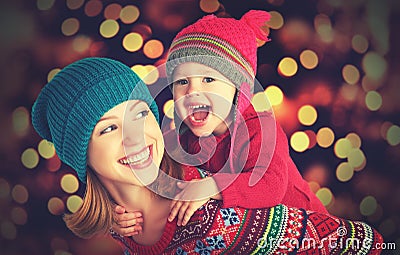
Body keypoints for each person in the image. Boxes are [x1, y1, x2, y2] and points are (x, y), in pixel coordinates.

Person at [31, 57, 383, 254]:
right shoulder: (124, 228)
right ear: (81, 155)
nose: (134, 137)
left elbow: (362, 244)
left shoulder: (216, 216)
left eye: (139, 114)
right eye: (108, 129)